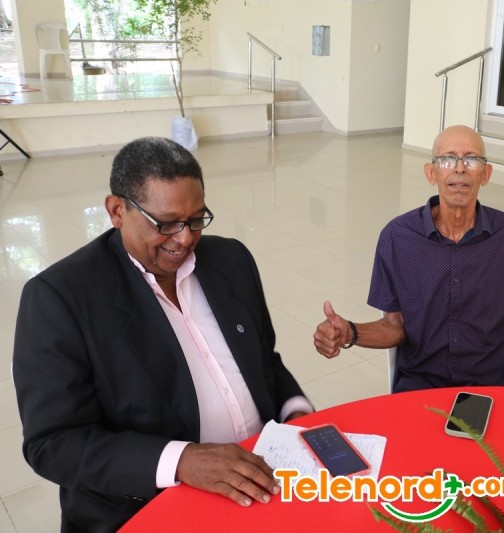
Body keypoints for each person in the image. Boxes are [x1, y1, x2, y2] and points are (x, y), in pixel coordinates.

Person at [13, 137, 313, 532]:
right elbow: (53, 444)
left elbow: (263, 360)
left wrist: (296, 413)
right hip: (146, 509)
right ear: (117, 210)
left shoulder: (231, 259)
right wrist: (180, 461)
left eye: (196, 219)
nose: (185, 238)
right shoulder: (60, 298)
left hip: (265, 481)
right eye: (166, 224)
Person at [313, 125, 504, 392]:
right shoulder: (397, 238)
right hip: (421, 384)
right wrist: (350, 333)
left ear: (486, 174)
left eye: (471, 160)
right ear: (431, 172)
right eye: (447, 159)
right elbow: (394, 327)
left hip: (495, 382)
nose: (460, 168)